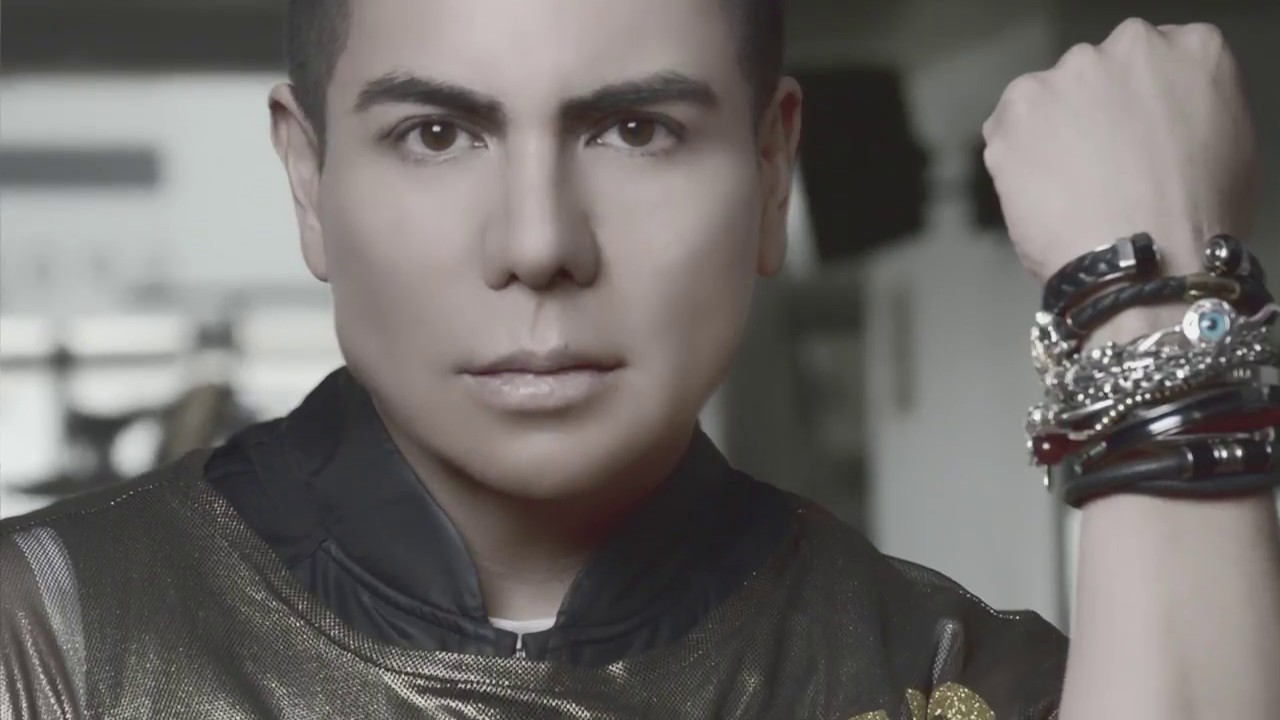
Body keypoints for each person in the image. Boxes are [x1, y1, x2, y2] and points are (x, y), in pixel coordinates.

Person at [2, 1, 1277, 717]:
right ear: (308, 178)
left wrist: (1157, 313)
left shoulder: (945, 672)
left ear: (771, 170)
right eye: (437, 135)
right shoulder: (45, 642)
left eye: (632, 130)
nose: (538, 243)